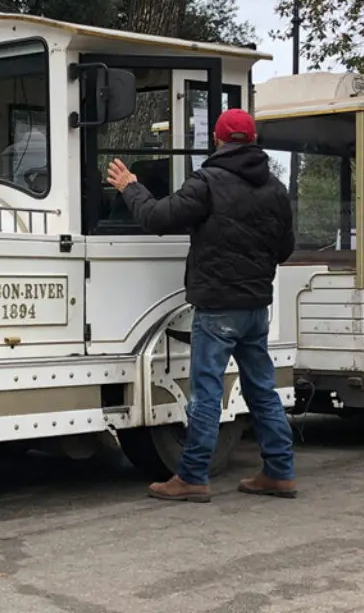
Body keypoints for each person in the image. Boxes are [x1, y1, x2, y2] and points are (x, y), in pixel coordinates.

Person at [106, 107, 297, 502]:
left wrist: (130, 186)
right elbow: (285, 250)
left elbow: (158, 218)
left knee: (206, 392)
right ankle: (280, 471)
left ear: (216, 138)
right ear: (255, 140)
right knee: (262, 389)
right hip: (255, 307)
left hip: (217, 306)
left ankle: (192, 476)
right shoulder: (275, 189)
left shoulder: (208, 181)